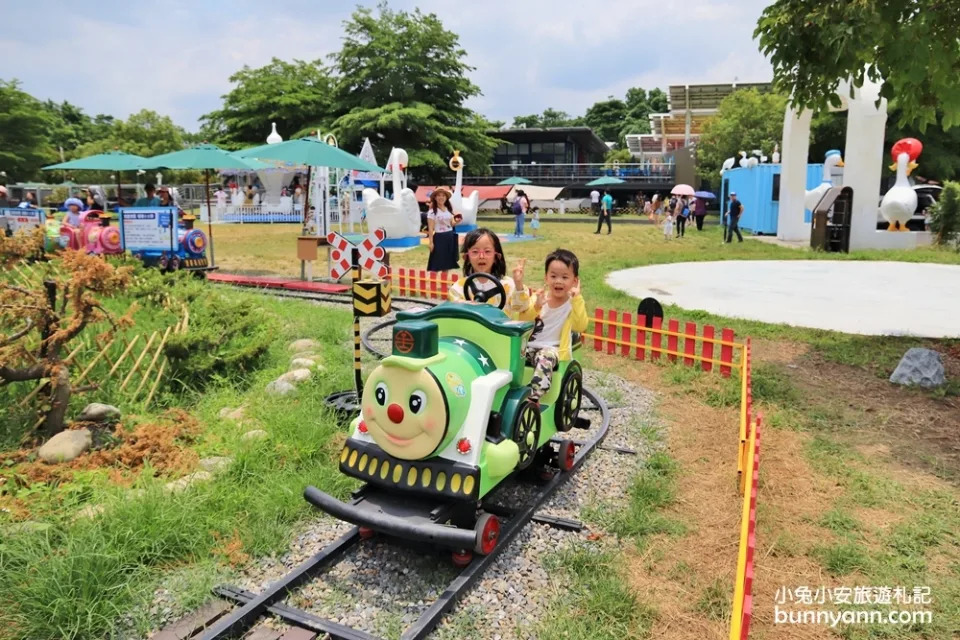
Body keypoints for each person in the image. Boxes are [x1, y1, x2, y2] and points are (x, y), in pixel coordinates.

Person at [518, 248, 588, 402]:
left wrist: (577, 299)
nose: (558, 281)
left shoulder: (572, 304)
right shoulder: (539, 297)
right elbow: (523, 318)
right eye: (553, 276)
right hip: (530, 346)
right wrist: (536, 306)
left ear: (574, 281)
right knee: (513, 352)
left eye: (564, 277)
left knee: (545, 358)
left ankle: (535, 395)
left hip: (552, 349)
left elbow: (580, 325)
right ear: (546, 278)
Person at [448, 228, 535, 319]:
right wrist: (464, 305)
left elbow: (522, 307)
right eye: (475, 252)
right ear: (467, 257)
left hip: (500, 331)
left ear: (496, 256)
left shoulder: (508, 285)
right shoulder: (459, 287)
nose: (481, 256)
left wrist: (518, 284)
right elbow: (455, 312)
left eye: (487, 251)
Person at [426, 186, 460, 273]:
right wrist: (431, 242)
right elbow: (430, 228)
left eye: (443, 196)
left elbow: (451, 224)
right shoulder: (432, 212)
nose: (441, 198)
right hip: (439, 237)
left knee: (447, 262)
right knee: (436, 262)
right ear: (435, 197)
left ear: (446, 198)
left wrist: (457, 221)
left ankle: (443, 282)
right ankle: (434, 282)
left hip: (449, 236)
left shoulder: (448, 210)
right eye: (439, 195)